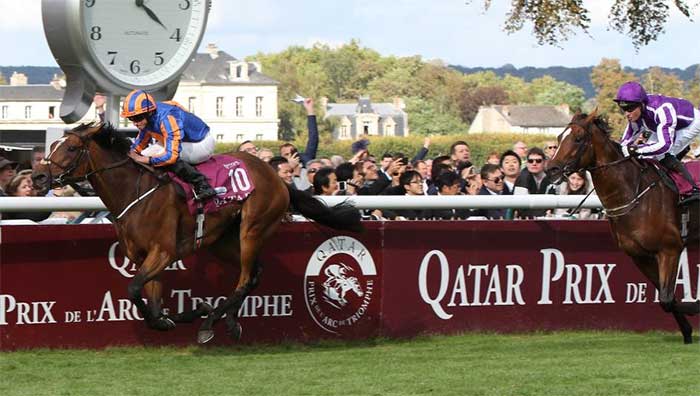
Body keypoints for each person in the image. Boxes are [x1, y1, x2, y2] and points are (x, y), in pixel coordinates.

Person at [614, 81, 700, 203]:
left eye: (629, 109)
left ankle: (692, 189)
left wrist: (636, 149)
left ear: (641, 104)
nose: (627, 114)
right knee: (647, 152)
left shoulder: (661, 110)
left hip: (689, 123)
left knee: (661, 154)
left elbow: (664, 145)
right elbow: (628, 138)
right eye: (623, 109)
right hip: (659, 125)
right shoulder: (637, 109)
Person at [122, 89, 216, 200]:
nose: (135, 123)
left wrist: (147, 160)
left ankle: (202, 184)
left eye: (137, 118)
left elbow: (171, 157)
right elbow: (141, 140)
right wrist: (131, 153)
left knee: (160, 156)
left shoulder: (167, 118)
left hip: (201, 143)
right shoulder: (148, 116)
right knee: (143, 154)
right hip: (184, 141)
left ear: (149, 112)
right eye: (131, 118)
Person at [514, 148, 553, 218]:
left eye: (538, 161)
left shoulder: (551, 177)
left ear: (544, 162)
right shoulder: (522, 178)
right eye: (530, 161)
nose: (534, 163)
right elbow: (521, 206)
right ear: (527, 163)